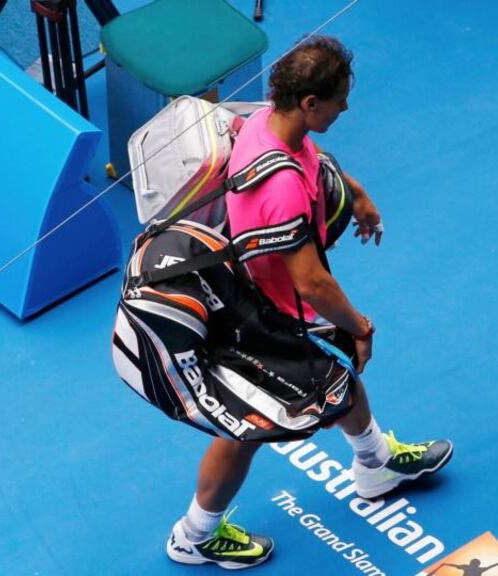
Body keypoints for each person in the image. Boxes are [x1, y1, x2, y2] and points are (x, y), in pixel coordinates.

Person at [163, 36, 453, 569]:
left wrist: (357, 193)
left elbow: (315, 160)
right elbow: (312, 284)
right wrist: (359, 325)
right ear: (310, 104)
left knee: (338, 373)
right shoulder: (282, 189)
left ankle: (374, 464)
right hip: (267, 315)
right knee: (247, 427)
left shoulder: (265, 123)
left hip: (269, 299)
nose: (347, 107)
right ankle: (193, 535)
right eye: (340, 99)